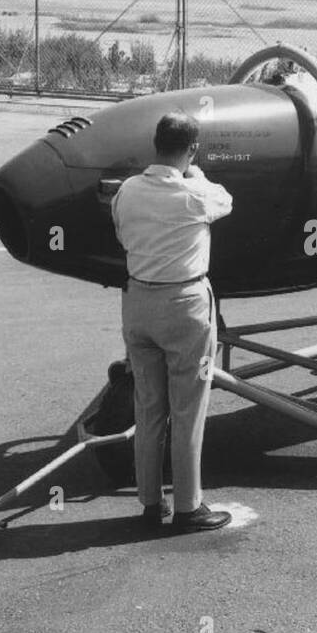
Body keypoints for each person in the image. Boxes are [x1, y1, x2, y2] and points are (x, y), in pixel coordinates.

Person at [112, 112, 234, 532]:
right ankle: (188, 507)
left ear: (156, 143)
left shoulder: (127, 191)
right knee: (187, 408)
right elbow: (226, 200)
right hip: (184, 306)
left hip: (138, 303)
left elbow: (120, 233)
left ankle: (150, 504)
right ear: (191, 149)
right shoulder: (194, 194)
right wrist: (195, 173)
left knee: (148, 408)